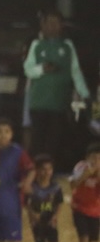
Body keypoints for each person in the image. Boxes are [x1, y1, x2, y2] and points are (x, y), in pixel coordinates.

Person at [23, 11, 89, 164]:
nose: (52, 26)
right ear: (43, 25)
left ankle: (49, 170)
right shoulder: (37, 45)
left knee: (54, 141)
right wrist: (42, 69)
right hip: (39, 102)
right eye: (49, 23)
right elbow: (28, 69)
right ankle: (34, 171)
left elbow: (75, 72)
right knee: (37, 139)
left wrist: (85, 93)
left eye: (56, 23)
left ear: (61, 25)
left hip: (59, 103)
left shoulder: (67, 46)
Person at [26, 155, 63, 242]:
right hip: (38, 221)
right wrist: (32, 216)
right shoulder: (32, 188)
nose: (47, 172)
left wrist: (55, 217)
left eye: (49, 169)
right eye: (43, 169)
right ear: (37, 170)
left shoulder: (55, 187)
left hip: (50, 219)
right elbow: (27, 204)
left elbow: (59, 203)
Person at [71, 144, 100, 242]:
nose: (96, 161)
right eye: (93, 157)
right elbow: (73, 184)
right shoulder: (81, 167)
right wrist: (86, 174)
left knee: (91, 238)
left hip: (95, 209)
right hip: (79, 207)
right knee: (83, 235)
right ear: (87, 158)